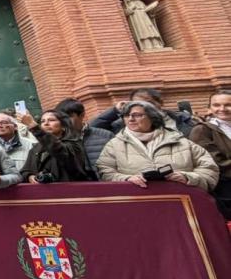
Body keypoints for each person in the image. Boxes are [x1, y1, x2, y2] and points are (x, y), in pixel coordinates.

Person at [97, 101, 218, 191]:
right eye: (126, 115)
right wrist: (126, 179)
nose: (131, 119)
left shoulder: (180, 141)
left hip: (182, 201)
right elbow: (104, 171)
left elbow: (209, 168)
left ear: (152, 118)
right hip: (135, 203)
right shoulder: (114, 145)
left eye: (137, 115)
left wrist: (188, 177)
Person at [17, 110, 93, 183]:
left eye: (51, 120)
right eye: (42, 121)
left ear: (63, 125)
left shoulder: (73, 143)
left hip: (69, 191)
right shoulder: (36, 148)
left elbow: (58, 150)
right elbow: (24, 171)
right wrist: (29, 176)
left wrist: (33, 126)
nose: (46, 123)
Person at [189, 90, 231, 219]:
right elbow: (215, 161)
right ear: (209, 108)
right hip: (225, 188)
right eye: (217, 105)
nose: (222, 109)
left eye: (228, 104)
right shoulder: (202, 130)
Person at [91, 88, 195, 136]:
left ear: (160, 103)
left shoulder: (183, 119)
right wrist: (114, 111)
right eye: (140, 104)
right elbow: (92, 129)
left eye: (149, 103)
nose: (146, 108)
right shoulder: (124, 124)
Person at [55, 98, 112, 178]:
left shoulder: (105, 136)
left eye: (69, 116)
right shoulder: (57, 141)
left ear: (82, 115)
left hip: (107, 184)